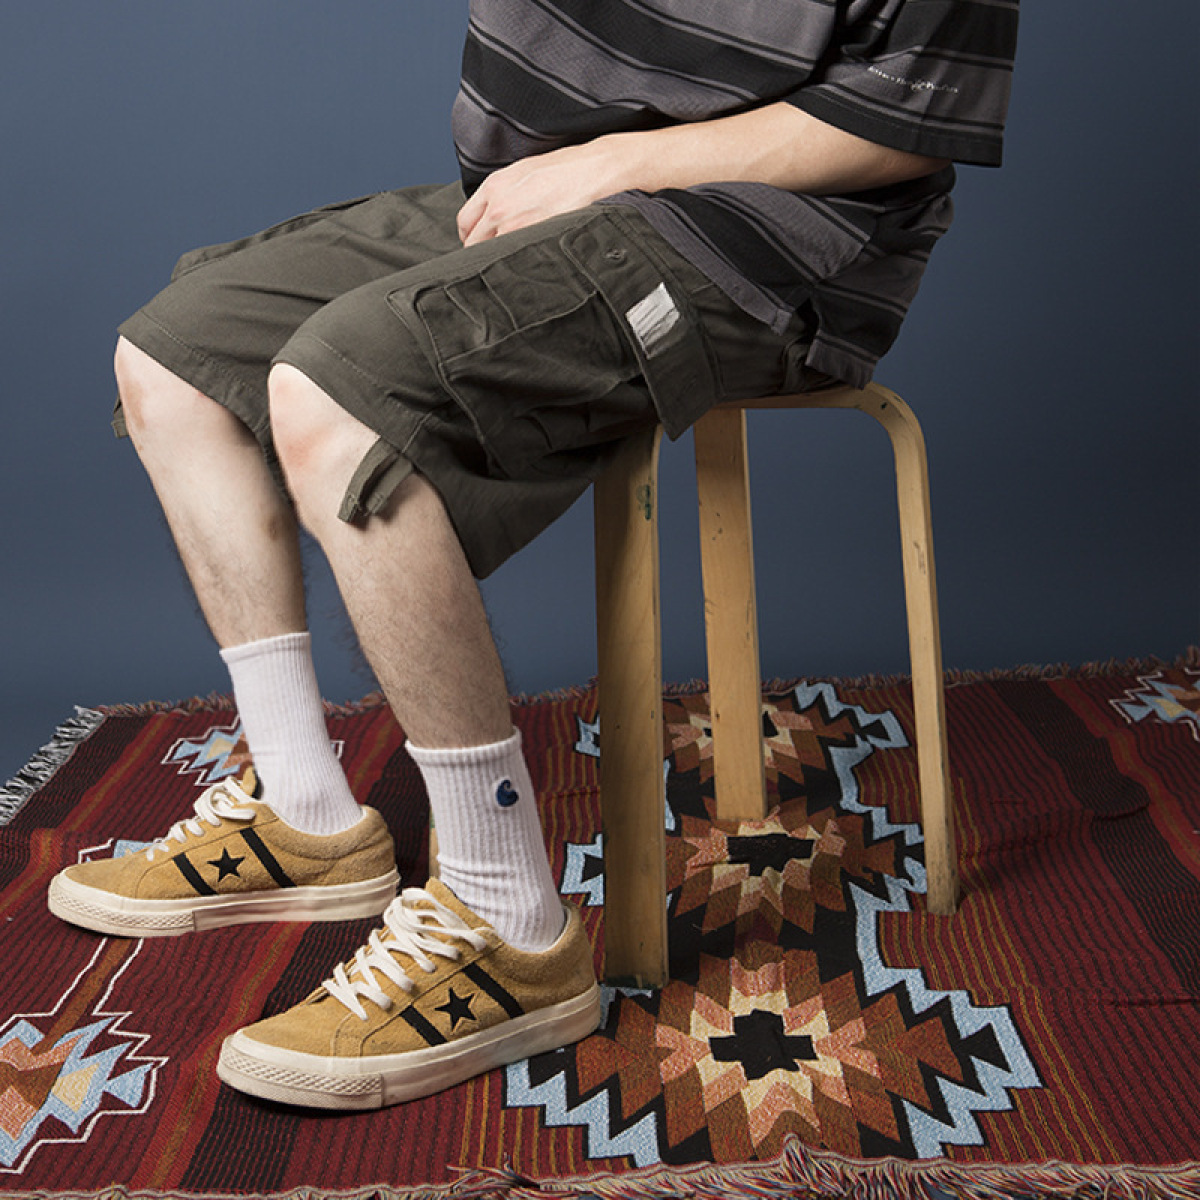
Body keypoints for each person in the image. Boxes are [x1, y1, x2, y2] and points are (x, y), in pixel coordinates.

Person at [47, 1, 1018, 1110]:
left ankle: (507, 920)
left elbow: (909, 119)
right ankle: (306, 814)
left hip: (764, 248)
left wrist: (623, 164)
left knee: (339, 394)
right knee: (174, 356)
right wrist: (581, 172)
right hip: (536, 199)